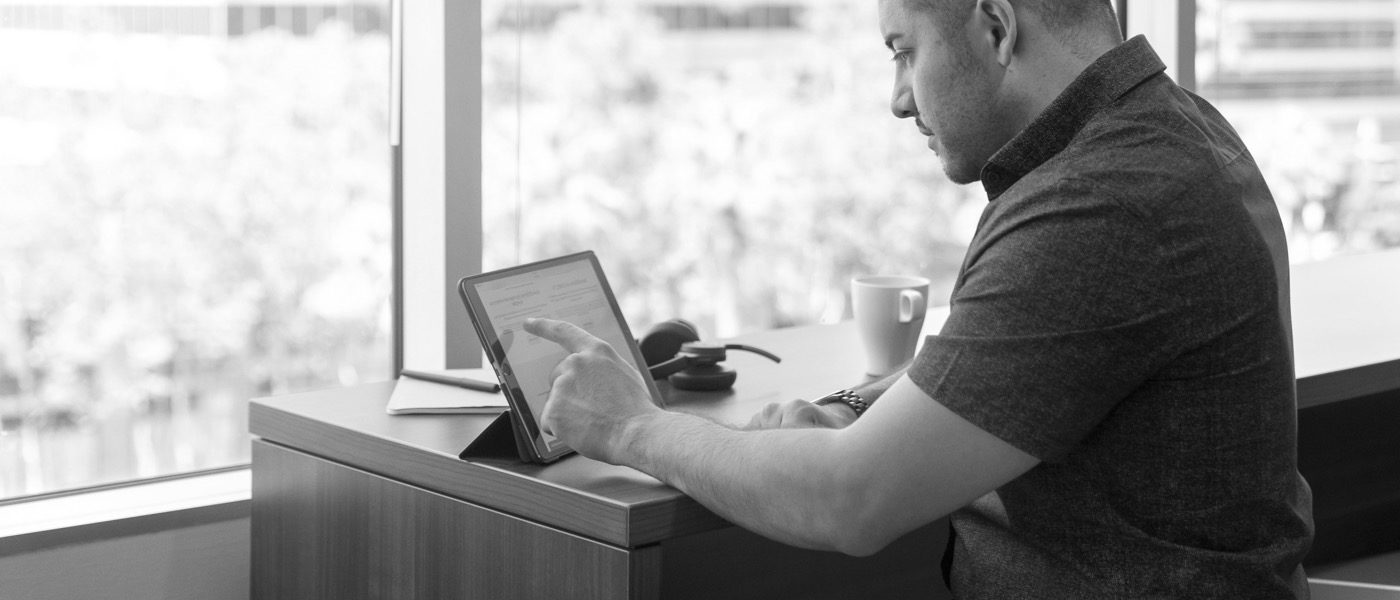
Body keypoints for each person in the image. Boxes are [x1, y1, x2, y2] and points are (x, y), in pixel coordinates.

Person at [522, 0, 1315, 597]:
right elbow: (1073, 364)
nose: (898, 99)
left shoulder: (1100, 203)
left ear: (996, 28)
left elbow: (848, 502)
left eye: (904, 52)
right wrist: (889, 408)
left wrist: (630, 426)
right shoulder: (1170, 130)